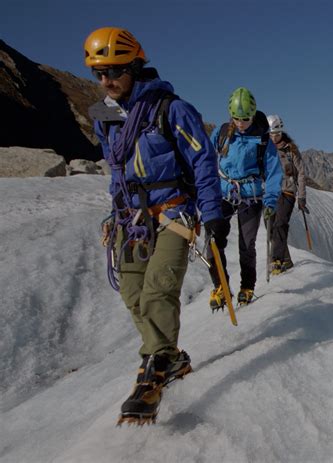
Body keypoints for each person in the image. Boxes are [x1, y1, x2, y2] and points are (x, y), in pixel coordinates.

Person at [84, 27, 225, 424]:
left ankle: (154, 368)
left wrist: (211, 213)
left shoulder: (172, 109)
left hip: (173, 212)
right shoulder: (106, 117)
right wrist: (117, 211)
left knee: (159, 290)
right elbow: (115, 169)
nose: (105, 81)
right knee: (132, 293)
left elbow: (202, 161)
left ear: (134, 66)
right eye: (99, 73)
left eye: (113, 71)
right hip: (132, 218)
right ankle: (174, 358)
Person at [207, 87, 283, 308]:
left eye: (245, 118)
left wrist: (270, 202)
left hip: (252, 196)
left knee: (246, 244)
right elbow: (207, 161)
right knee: (213, 238)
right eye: (237, 118)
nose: (241, 123)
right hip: (224, 192)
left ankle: (247, 286)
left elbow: (273, 171)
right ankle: (220, 286)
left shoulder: (262, 139)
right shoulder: (221, 134)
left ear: (253, 114)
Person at [267, 114, 307, 274]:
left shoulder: (291, 150)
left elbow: (302, 173)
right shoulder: (264, 150)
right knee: (270, 227)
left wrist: (302, 197)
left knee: (280, 224)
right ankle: (287, 260)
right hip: (270, 192)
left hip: (287, 192)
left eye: (277, 133)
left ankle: (276, 261)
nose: (275, 137)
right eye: (272, 134)